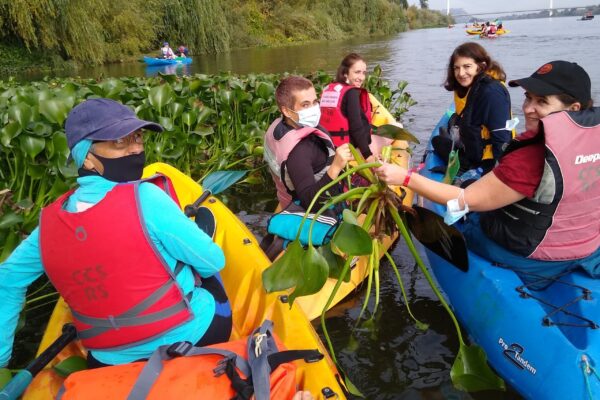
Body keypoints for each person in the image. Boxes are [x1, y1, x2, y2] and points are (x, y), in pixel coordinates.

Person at [0, 98, 231, 369]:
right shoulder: (147, 196)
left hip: (105, 359)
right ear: (86, 156)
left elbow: (8, 280)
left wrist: (2, 359)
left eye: (137, 137)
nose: (135, 148)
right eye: (118, 142)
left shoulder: (48, 224)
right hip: (193, 336)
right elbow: (214, 261)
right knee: (210, 273)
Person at [376, 60, 600, 286]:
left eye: (542, 102)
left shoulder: (530, 158)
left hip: (533, 256)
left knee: (470, 218)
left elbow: (467, 200)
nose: (528, 108)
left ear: (574, 109)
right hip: (587, 247)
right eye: (528, 97)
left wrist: (405, 178)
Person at [261, 76, 353, 257]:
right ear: (287, 111)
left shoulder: (280, 127)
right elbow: (312, 202)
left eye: (315, 101)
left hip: (286, 196)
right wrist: (335, 167)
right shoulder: (299, 152)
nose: (313, 109)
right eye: (305, 105)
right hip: (311, 207)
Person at [432, 42, 514, 178]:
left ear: (481, 66)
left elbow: (502, 138)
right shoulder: (473, 88)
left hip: (487, 161)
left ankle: (465, 170)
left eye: (467, 66)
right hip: (473, 152)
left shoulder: (492, 92)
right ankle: (463, 166)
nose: (461, 73)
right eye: (456, 68)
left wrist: (498, 175)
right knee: (437, 141)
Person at [319, 53, 375, 161]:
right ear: (345, 73)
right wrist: (368, 155)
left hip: (330, 147)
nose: (361, 77)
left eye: (364, 73)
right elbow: (356, 128)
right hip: (348, 150)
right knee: (394, 129)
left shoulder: (328, 89)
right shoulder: (351, 93)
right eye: (357, 72)